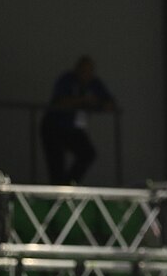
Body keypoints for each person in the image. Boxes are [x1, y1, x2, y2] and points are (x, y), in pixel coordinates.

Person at [40, 55, 117, 185]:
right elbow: (59, 101)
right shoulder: (67, 79)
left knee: (87, 153)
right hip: (53, 127)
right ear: (77, 69)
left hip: (73, 129)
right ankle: (57, 193)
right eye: (83, 71)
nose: (86, 75)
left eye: (89, 71)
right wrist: (81, 101)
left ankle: (69, 184)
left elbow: (110, 103)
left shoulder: (94, 83)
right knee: (56, 164)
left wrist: (96, 103)